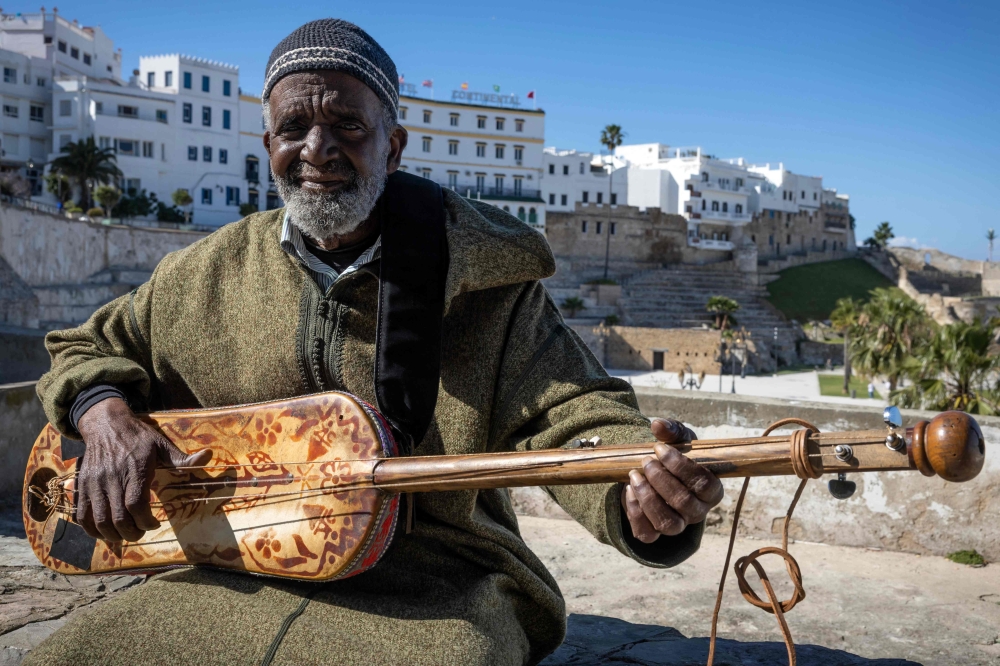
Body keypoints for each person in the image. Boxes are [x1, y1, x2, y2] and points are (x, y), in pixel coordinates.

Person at [26, 19, 723, 666]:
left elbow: (575, 416)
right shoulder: (199, 274)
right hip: (232, 571)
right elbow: (85, 348)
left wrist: (639, 494)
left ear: (391, 146)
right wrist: (105, 416)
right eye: (293, 126)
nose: (317, 149)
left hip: (437, 583)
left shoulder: (483, 279)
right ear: (267, 145)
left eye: (347, 126)